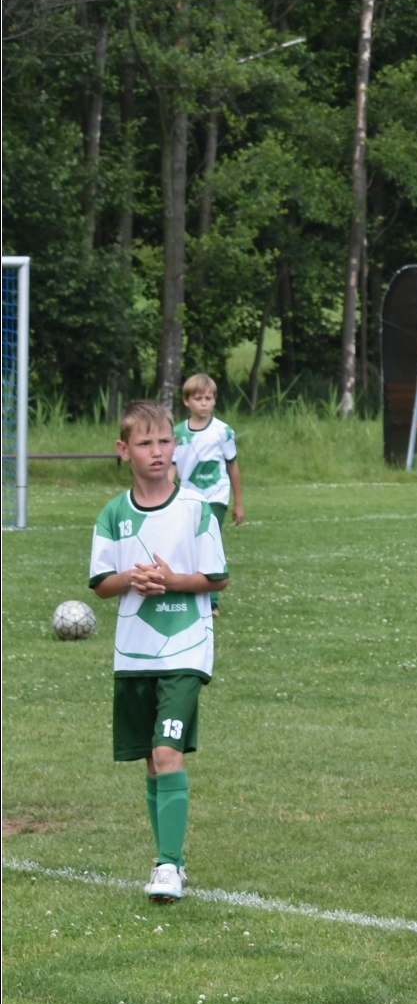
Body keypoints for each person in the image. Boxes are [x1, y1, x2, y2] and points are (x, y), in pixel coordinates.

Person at [90, 400, 229, 904]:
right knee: (151, 759)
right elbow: (101, 583)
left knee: (167, 752)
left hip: (187, 651)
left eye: (165, 441)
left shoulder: (195, 509)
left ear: (175, 445)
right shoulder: (114, 514)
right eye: (145, 443)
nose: (157, 451)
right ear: (123, 450)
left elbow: (216, 577)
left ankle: (167, 865)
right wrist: (133, 577)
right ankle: (172, 857)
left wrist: (170, 581)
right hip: (135, 653)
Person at [173, 373, 243, 612]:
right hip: (187, 497)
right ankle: (190, 591)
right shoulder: (177, 434)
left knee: (208, 541)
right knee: (187, 544)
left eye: (208, 398)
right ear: (187, 401)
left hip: (215, 497)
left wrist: (238, 503)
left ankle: (212, 601)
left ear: (214, 400)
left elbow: (233, 467)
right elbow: (172, 468)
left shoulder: (223, 431)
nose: (204, 403)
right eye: (198, 398)